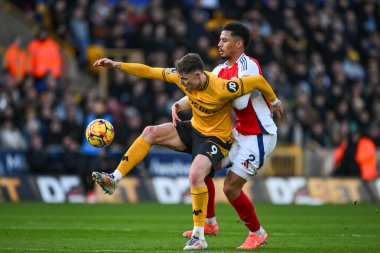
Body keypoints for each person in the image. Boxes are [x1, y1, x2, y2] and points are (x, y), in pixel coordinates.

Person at [92, 53, 282, 250]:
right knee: (150, 132)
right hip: (193, 129)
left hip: (216, 138)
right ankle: (114, 178)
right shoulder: (182, 77)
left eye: (185, 79)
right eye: (180, 78)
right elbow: (149, 71)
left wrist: (274, 100)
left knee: (195, 175)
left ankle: (199, 237)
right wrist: (117, 65)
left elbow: (258, 80)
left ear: (198, 75)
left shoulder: (223, 87)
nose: (182, 83)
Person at [172, 22, 282, 249]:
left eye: (224, 40)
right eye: (219, 39)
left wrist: (223, 92)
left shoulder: (249, 65)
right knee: (204, 168)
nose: (219, 44)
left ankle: (257, 233)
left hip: (259, 136)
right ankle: (209, 223)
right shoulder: (221, 70)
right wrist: (181, 103)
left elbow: (240, 101)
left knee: (231, 187)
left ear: (238, 44)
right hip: (240, 133)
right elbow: (205, 88)